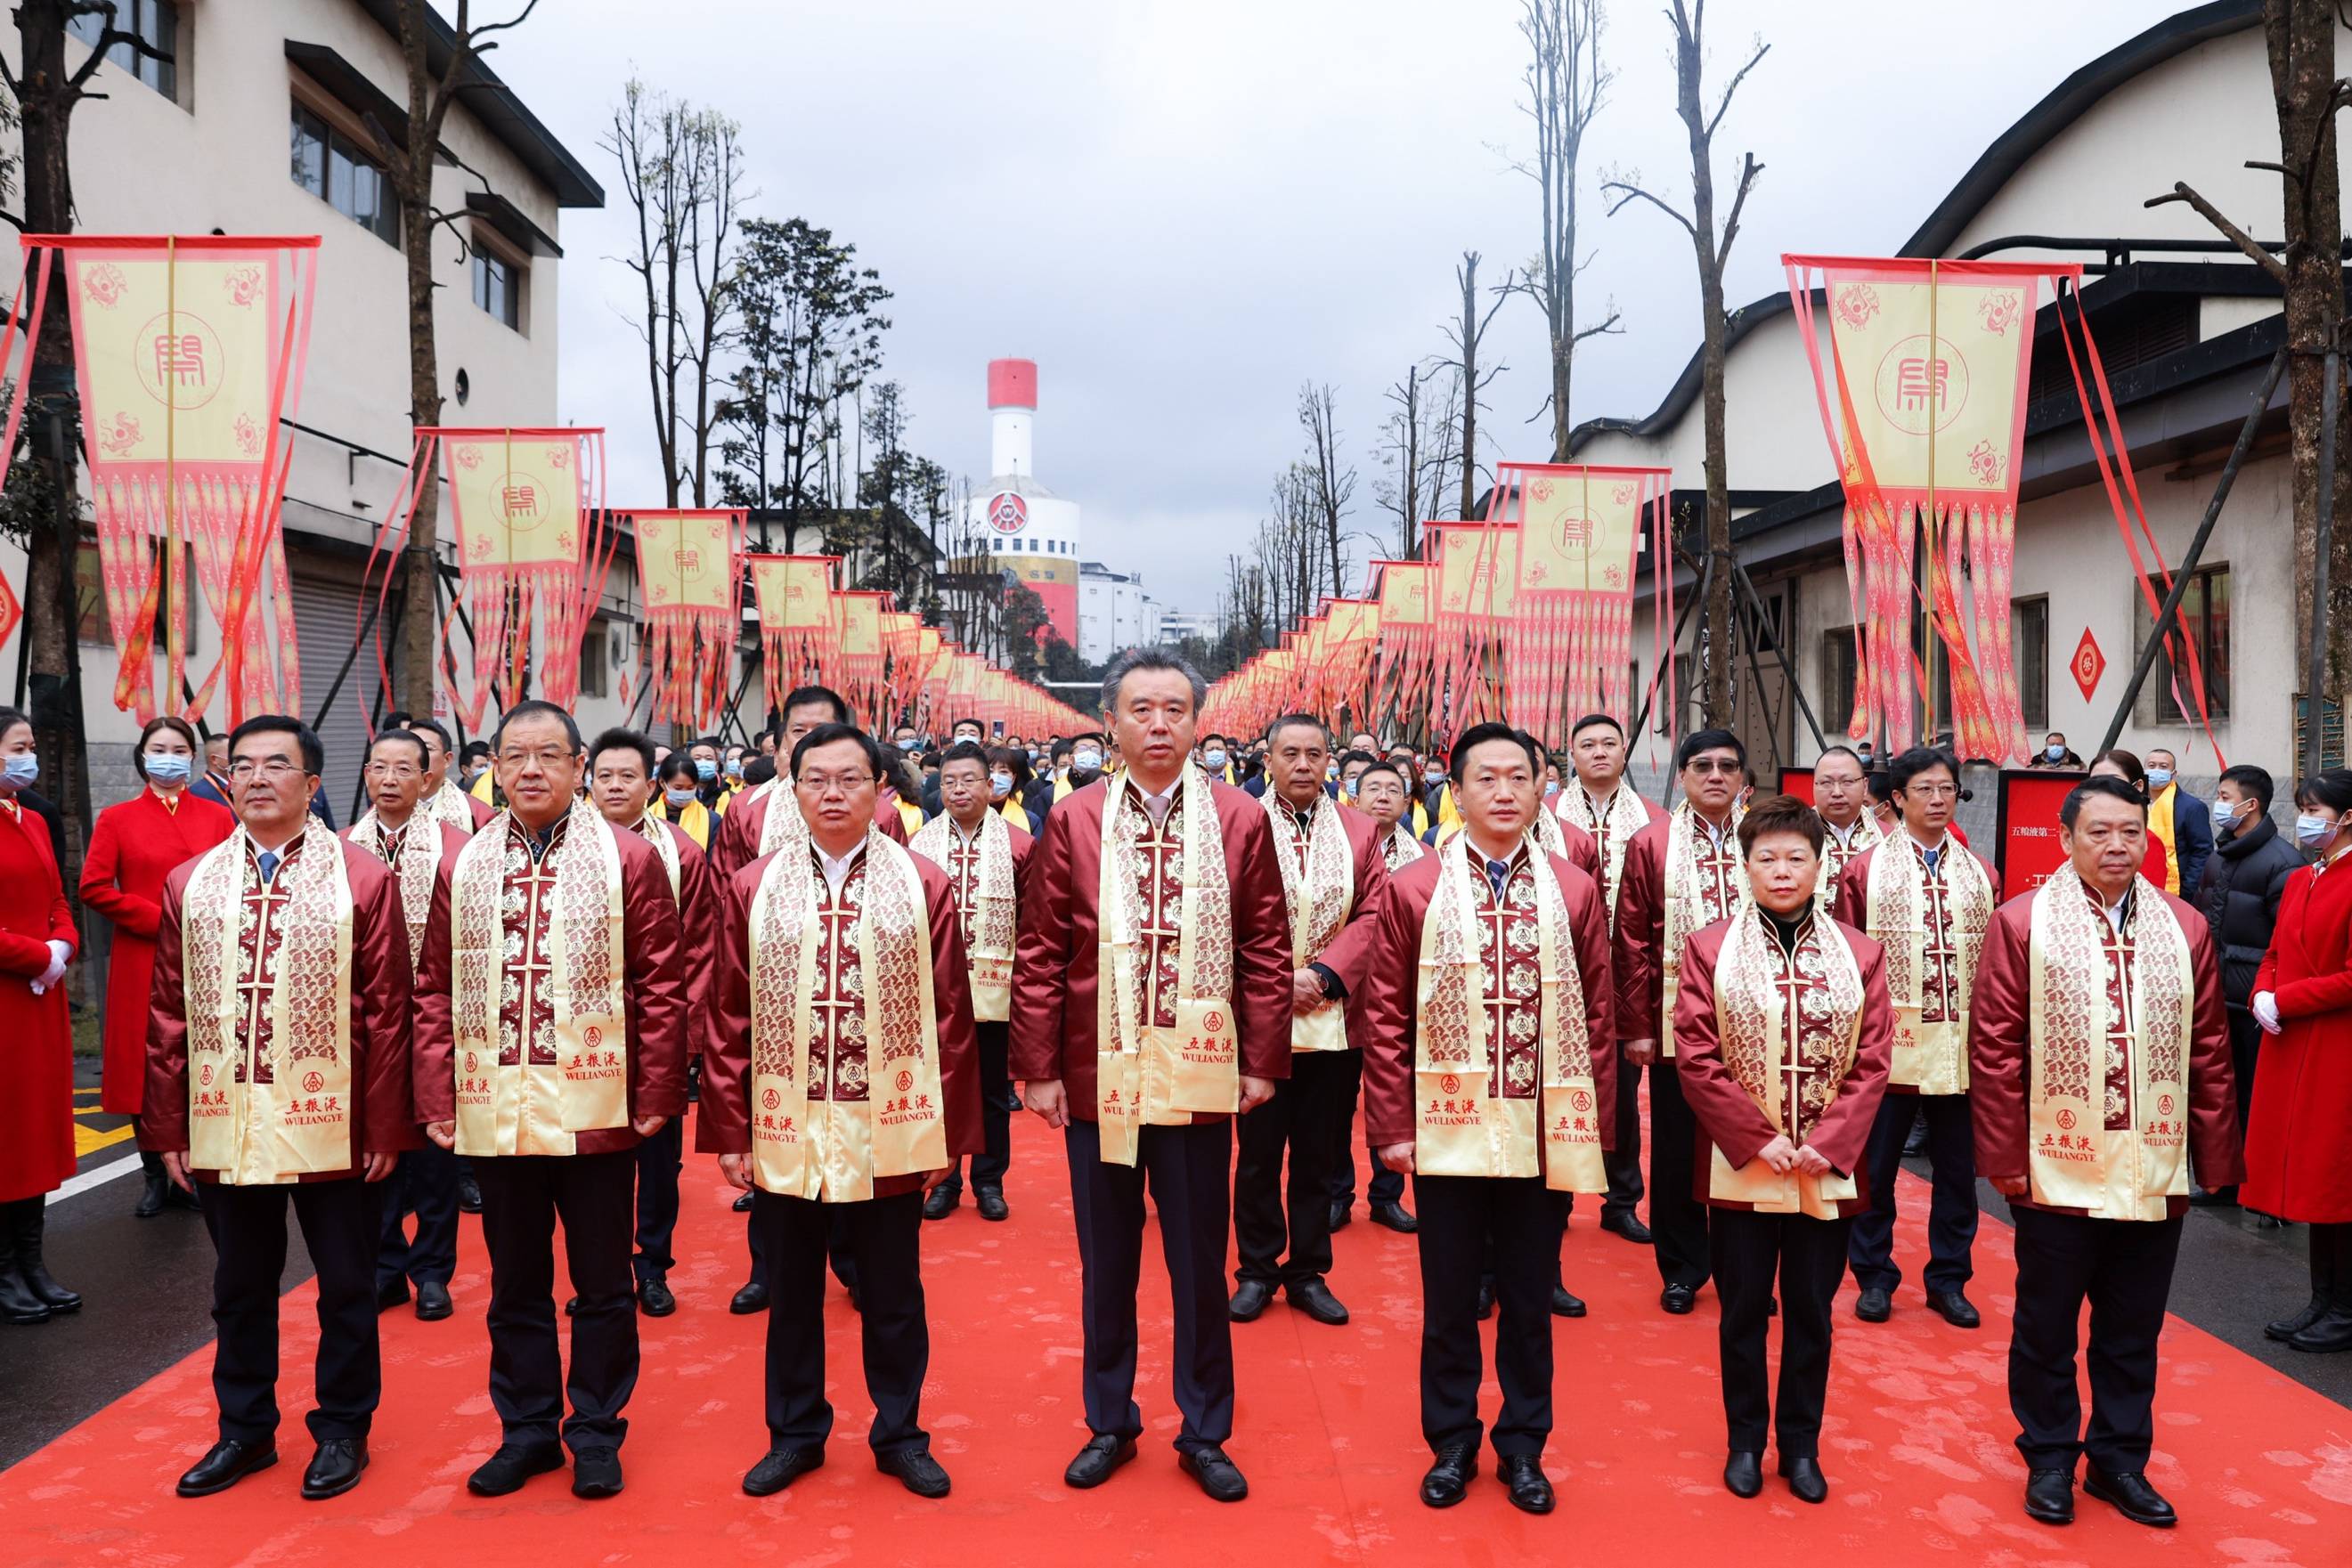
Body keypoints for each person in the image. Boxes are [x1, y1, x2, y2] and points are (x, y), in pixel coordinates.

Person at [1009, 649, 1291, 1504]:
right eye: (1142, 709)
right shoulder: (1075, 819)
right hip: (1100, 1079)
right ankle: (1109, 1419)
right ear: (1112, 723)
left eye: (1174, 709)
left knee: (1200, 1262)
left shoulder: (1240, 818)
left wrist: (1261, 1060)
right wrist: (1039, 1069)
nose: (1159, 724)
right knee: (1108, 1258)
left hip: (1200, 1079)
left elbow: (1266, 949)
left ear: (1197, 721)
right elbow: (1042, 950)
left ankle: (1204, 1428)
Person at [412, 701, 689, 1501]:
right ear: (492, 768)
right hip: (493, 1107)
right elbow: (431, 986)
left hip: (596, 1106)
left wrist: (657, 1090)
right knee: (514, 1282)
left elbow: (662, 985)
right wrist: (437, 1091)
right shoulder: (459, 863)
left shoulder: (629, 858)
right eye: (514, 756)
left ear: (577, 767)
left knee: (602, 1282)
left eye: (548, 755)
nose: (530, 769)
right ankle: (527, 1429)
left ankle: (596, 1429)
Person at [702, 723, 980, 1499]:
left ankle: (900, 1433)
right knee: (791, 1292)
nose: (832, 793)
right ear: (792, 791)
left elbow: (952, 1015)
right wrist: (733, 1131)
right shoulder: (753, 885)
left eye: (849, 778)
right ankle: (794, 1432)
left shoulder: (921, 881)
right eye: (816, 779)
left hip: (889, 1119)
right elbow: (727, 1015)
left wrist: (948, 1138)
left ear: (878, 789)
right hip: (787, 1119)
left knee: (892, 1290)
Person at [142, 714, 415, 1500]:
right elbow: (168, 1012)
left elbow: (388, 1010)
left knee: (346, 1283)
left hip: (334, 1122)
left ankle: (342, 1428)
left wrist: (385, 1125)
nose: (257, 777)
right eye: (243, 766)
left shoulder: (360, 876)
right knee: (239, 1285)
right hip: (227, 1116)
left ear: (312, 782)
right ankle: (245, 1429)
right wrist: (168, 1127)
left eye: (277, 764)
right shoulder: (191, 881)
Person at [1967, 776, 2242, 1529]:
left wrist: (2213, 1159)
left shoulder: (2182, 926)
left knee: (2132, 1327)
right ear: (2064, 839)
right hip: (2057, 1167)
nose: (2117, 844)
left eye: (2130, 831)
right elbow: (1992, 1050)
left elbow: (2209, 1050)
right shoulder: (2022, 922)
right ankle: (2050, 1455)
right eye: (2099, 831)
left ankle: (2119, 1461)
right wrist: (2004, 1157)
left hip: (2152, 1164)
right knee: (2046, 1321)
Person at [1358, 722, 1615, 1515]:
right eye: (1486, 779)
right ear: (1456, 790)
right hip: (1446, 1129)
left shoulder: (1573, 886)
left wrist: (1593, 1127)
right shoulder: (1413, 887)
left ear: (1541, 786)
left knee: (1530, 1298)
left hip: (1542, 1125)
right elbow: (1385, 1014)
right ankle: (1452, 1440)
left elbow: (1598, 1014)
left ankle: (1523, 1445)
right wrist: (1393, 1125)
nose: (1503, 792)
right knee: (1448, 1299)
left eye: (1518, 777)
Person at [1673, 795, 1892, 1505]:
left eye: (1795, 856)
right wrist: (1755, 1135)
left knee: (1810, 1311)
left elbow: (1873, 1058)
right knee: (1740, 1311)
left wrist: (1827, 1143)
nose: (1781, 869)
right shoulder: (1708, 947)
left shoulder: (1860, 952)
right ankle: (1744, 1440)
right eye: (1765, 856)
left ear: (1819, 864)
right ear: (1743, 867)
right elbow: (1697, 1053)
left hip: (1824, 1169)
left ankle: (1800, 1444)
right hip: (1742, 1164)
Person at [1229, 715, 1387, 1328]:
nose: (1301, 764)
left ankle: (1308, 1270)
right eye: (1288, 753)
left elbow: (1376, 912)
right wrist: (1272, 981)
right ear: (1267, 759)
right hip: (1256, 1015)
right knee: (1258, 1154)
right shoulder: (1239, 821)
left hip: (1332, 1014)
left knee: (1319, 1153)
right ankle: (1256, 1269)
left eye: (1313, 753)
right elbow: (1222, 911)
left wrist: (1322, 973)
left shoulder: (1357, 829)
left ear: (1330, 760)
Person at [1830, 747, 1995, 1328]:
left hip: (1958, 1048)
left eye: (1946, 788)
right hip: (1886, 1048)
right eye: (1923, 788)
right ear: (1897, 797)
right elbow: (1844, 958)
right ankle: (1873, 1276)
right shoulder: (1863, 870)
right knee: (1873, 1167)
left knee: (1957, 1172)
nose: (1936, 798)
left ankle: (1948, 1278)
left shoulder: (1979, 872)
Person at [1615, 728, 1750, 1313]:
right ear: (1684, 776)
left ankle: (1742, 1270)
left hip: (1758, 1026)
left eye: (1727, 765)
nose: (1715, 774)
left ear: (1743, 777)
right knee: (1676, 1151)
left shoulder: (1767, 837)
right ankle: (1681, 1268)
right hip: (1677, 1025)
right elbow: (1631, 939)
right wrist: (1639, 1025)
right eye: (1702, 765)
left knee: (1747, 1144)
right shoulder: (1651, 843)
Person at [588, 727, 720, 1317]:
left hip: (656, 1033)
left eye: (627, 776)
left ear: (651, 784)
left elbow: (699, 951)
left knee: (657, 1161)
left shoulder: (682, 852)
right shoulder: (568, 848)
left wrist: (684, 1040)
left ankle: (653, 1265)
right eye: (604, 775)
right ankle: (604, 1270)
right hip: (585, 1037)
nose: (615, 786)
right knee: (592, 1163)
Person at [80, 716, 234, 1218]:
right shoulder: (117, 819)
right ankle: (152, 1173)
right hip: (143, 954)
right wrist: (160, 919)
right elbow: (95, 887)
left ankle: (195, 1168)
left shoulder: (217, 816)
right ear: (143, 756)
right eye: (158, 747)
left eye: (178, 748)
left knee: (199, 1056)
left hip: (207, 955)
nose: (168, 756)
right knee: (143, 1065)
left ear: (193, 757)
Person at [343, 729, 471, 1322]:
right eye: (379, 767)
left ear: (428, 779)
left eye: (403, 769)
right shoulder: (341, 848)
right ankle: (386, 1267)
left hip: (432, 1020)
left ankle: (433, 1271)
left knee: (434, 1155)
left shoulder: (458, 849)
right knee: (374, 1151)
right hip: (366, 1021)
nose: (389, 779)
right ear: (366, 776)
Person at [2242, 768, 2352, 1352]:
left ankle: (2345, 1307)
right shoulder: (2300, 878)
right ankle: (2321, 1299)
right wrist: (2263, 987)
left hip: (2336, 1043)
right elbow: (2277, 948)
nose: (2305, 816)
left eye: (2315, 808)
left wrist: (2281, 997)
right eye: (2303, 805)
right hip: (2292, 1037)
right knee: (2311, 1172)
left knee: (2337, 1175)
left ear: (2346, 817)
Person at [1556, 712, 1669, 1247]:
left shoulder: (1654, 820)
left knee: (1622, 1092)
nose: (1599, 752)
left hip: (1628, 974)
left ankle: (1620, 1199)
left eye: (1609, 743)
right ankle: (1549, 1201)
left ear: (1625, 752)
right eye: (1588, 744)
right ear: (1570, 754)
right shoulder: (1546, 812)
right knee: (1554, 1086)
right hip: (1558, 971)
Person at [911, 739, 1034, 1222]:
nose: (959, 789)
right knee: (938, 1090)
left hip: (996, 995)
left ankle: (989, 1181)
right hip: (933, 995)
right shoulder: (919, 844)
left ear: (992, 784)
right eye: (949, 781)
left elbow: (1036, 923)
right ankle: (945, 1180)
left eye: (969, 779)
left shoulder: (1020, 844)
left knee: (990, 1092)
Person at [0, 707, 78, 1326]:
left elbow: (58, 895)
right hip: (8, 996)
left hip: (38, 995)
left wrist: (63, 945)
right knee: (8, 1133)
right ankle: (5, 1270)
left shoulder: (28, 816)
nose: (29, 756)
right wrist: (36, 954)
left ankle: (32, 1261)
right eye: (19, 746)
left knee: (37, 1129)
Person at [2193, 763, 2299, 1209]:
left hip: (2256, 1003)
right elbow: (2203, 923)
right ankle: (2227, 1181)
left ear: (2249, 804)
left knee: (2261, 1098)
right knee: (2223, 1094)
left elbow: (2288, 942)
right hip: (2217, 998)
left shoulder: (2284, 862)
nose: (2218, 805)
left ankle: (2267, 1189)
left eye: (2223, 796)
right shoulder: (2220, 857)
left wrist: (2267, 993)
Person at [1328, 760, 1420, 1234]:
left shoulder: (1427, 857)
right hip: (1342, 996)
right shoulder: (1335, 849)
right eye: (1373, 789)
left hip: (1399, 1000)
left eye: (1393, 789)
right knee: (1337, 1103)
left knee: (1393, 1097)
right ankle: (1337, 1194)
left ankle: (1387, 1196)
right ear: (1354, 798)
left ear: (1407, 803)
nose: (1383, 796)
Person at [711, 686, 905, 884]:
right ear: (785, 738)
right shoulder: (749, 812)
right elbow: (728, 889)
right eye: (798, 730)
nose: (809, 739)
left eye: (821, 729)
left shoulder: (883, 814)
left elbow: (901, 879)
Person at [1809, 745, 1883, 915]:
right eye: (1826, 783)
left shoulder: (1890, 838)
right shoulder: (1793, 835)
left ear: (1865, 787)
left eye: (1847, 782)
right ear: (1814, 785)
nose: (1837, 792)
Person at [2089, 750, 2173, 887]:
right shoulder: (2082, 836)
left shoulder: (2147, 842)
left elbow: (2151, 898)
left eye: (2114, 781)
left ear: (2139, 786)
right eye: (2095, 782)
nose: (2103, 789)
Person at [2143, 749, 2212, 898]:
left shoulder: (2192, 807)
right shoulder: (2134, 803)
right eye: (2152, 765)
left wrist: (2187, 890)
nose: (2156, 770)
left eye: (2163, 767)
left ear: (2173, 774)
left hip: (2177, 889)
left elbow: (2201, 852)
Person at [405, 718, 493, 832]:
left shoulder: (478, 814)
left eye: (427, 749)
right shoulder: (385, 807)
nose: (416, 755)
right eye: (410, 749)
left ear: (447, 759)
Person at [655, 752, 716, 849]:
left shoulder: (711, 820)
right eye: (678, 788)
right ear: (662, 783)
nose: (684, 793)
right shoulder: (647, 815)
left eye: (690, 787)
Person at [189, 733, 235, 808]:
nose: (237, 757)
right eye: (231, 753)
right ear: (214, 759)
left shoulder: (234, 786)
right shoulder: (199, 792)